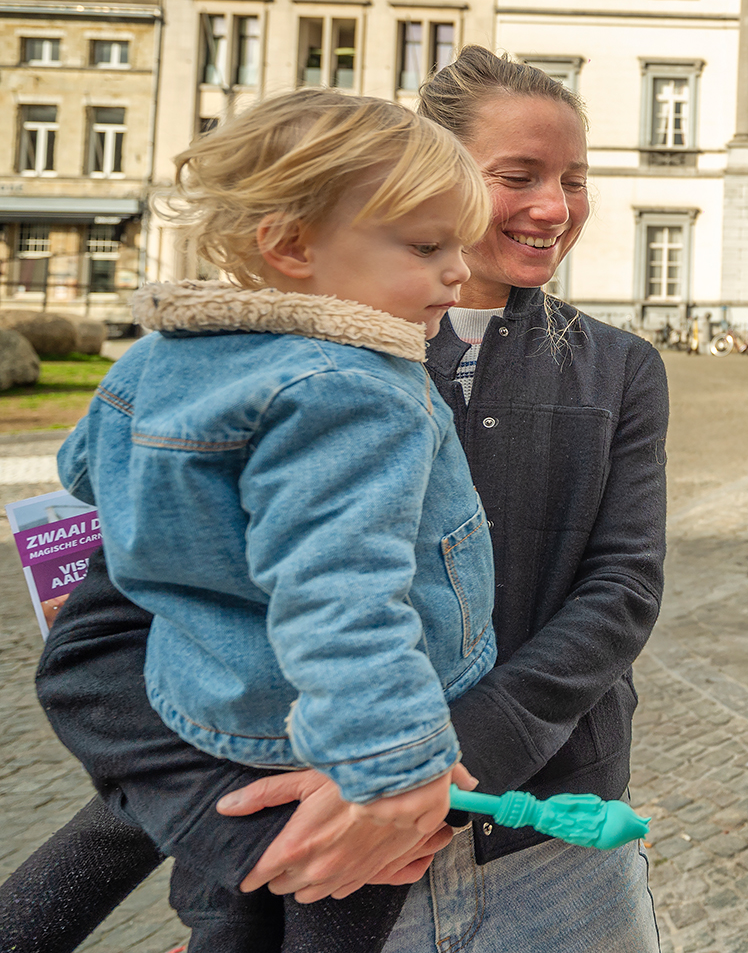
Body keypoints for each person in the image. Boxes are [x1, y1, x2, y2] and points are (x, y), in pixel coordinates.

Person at [24, 49, 668, 953]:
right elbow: (119, 627)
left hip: (547, 853)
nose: (555, 208)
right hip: (305, 862)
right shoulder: (281, 368)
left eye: (575, 179)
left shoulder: (619, 366)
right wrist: (237, 823)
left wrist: (415, 776)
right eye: (517, 177)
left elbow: (622, 592)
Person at [53, 90, 497, 949]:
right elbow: (339, 587)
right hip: (325, 733)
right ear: (291, 244)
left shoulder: (167, 351)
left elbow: (83, 469)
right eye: (426, 246)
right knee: (339, 903)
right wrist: (398, 762)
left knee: (222, 912)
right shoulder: (357, 391)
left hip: (199, 696)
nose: (456, 273)